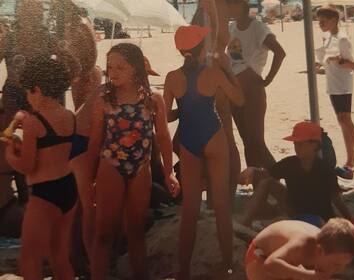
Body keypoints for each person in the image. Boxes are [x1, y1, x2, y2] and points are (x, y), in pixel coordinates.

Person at [88, 43, 179, 280]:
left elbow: (163, 138)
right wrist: (89, 179)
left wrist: (169, 172)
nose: (113, 71)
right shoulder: (103, 98)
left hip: (141, 168)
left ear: (136, 69)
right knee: (104, 233)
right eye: (110, 67)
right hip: (111, 166)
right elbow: (95, 141)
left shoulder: (152, 100)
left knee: (137, 231)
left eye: (120, 67)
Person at [164, 25, 243, 278]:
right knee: (221, 205)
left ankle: (184, 271)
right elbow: (239, 99)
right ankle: (228, 265)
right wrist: (229, 70)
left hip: (188, 139)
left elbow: (167, 116)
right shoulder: (213, 72)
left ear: (180, 50)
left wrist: (184, 110)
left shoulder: (171, 77)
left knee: (189, 210)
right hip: (213, 137)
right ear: (202, 49)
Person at [3, 56, 77, 280]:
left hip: (45, 194)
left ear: (38, 90)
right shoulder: (69, 116)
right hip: (68, 189)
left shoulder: (34, 123)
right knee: (59, 257)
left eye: (28, 92)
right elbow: (54, 152)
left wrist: (10, 154)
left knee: (30, 259)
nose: (27, 97)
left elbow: (27, 166)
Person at [238, 121, 352, 228]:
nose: (297, 148)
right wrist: (253, 170)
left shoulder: (325, 169)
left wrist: (350, 221)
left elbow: (336, 199)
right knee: (267, 182)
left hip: (320, 217)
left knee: (277, 222)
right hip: (294, 210)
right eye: (295, 144)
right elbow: (267, 175)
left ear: (315, 146)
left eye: (300, 144)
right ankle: (246, 222)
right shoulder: (290, 163)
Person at [192, 0, 243, 199]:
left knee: (226, 138)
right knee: (217, 138)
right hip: (208, 71)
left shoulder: (214, 5)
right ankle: (217, 192)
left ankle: (225, 193)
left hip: (212, 72)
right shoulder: (208, 6)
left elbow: (222, 37)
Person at [226, 0, 286, 170]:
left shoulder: (257, 27)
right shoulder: (232, 27)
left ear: (241, 5)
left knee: (256, 142)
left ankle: (280, 181)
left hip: (251, 87)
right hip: (235, 87)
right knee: (247, 141)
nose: (227, 7)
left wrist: (268, 79)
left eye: (230, 4)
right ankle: (258, 185)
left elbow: (280, 53)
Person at [316, 6, 354, 171]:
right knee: (342, 122)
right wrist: (321, 62)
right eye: (319, 21)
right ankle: (351, 159)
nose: (320, 24)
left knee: (346, 120)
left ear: (333, 21)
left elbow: (352, 65)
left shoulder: (343, 39)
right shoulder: (328, 37)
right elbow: (327, 60)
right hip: (333, 85)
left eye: (323, 21)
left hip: (344, 85)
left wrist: (337, 61)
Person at [245, 218, 354, 280]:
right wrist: (308, 275)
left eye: (345, 265)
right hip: (259, 255)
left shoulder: (328, 247)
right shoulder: (302, 244)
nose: (340, 269)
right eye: (336, 264)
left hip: (288, 259)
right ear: (320, 251)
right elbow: (270, 264)